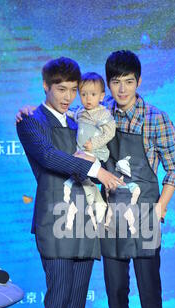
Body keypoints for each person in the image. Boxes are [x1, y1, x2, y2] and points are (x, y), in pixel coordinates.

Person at [16, 57, 123, 308]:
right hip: (55, 219)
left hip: (86, 219)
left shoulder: (81, 123)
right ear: (46, 86)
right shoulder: (31, 122)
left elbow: (104, 136)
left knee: (77, 299)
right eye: (60, 89)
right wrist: (95, 170)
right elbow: (49, 157)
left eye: (73, 90)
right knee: (59, 296)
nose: (67, 96)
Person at [99, 50, 175, 308]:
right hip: (110, 216)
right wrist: (31, 112)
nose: (122, 89)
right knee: (116, 292)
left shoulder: (156, 118)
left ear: (139, 81)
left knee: (150, 292)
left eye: (128, 82)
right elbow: (63, 116)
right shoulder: (97, 113)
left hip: (146, 212)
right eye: (116, 83)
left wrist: (161, 207)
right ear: (108, 83)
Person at [65, 72, 116, 229]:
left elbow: (110, 131)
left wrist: (94, 143)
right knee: (81, 179)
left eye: (93, 94)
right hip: (81, 152)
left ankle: (100, 205)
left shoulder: (102, 113)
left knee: (80, 174)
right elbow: (73, 115)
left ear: (101, 96)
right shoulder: (81, 111)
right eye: (84, 94)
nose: (88, 99)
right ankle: (98, 204)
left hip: (95, 153)